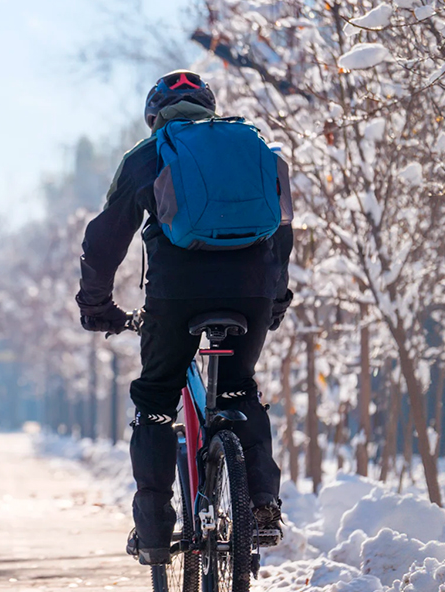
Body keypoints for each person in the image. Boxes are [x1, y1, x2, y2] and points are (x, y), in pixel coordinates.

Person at [75, 69, 293, 565]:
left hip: (176, 296)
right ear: (210, 109)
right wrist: (274, 298)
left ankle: (153, 532)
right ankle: (261, 505)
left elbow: (105, 239)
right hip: (251, 294)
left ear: (154, 117)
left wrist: (97, 307)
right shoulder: (255, 149)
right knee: (239, 388)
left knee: (155, 396)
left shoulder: (149, 154)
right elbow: (281, 232)